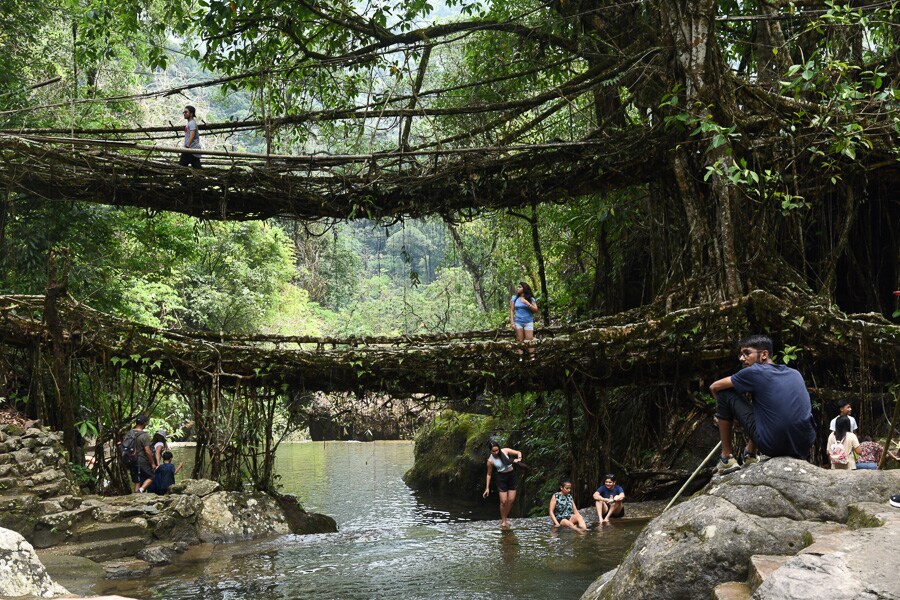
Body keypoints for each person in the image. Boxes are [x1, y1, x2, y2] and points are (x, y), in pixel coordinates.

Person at [709, 334, 816, 473]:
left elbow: (714, 387)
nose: (742, 359)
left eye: (747, 353)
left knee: (725, 393)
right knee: (766, 404)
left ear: (764, 354)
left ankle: (726, 458)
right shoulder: (795, 373)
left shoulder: (754, 372)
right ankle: (750, 454)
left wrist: (728, 413)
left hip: (773, 445)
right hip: (804, 445)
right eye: (740, 355)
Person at [482, 440, 524, 527]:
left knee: (511, 500)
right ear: (490, 451)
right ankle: (503, 521)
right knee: (503, 501)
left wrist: (519, 459)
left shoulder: (505, 451)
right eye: (494, 451)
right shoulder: (490, 460)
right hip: (501, 478)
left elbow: (518, 452)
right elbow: (489, 474)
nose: (496, 452)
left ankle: (505, 517)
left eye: (497, 450)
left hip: (511, 476)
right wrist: (487, 488)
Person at [509, 282, 538, 357]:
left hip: (528, 322)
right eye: (518, 287)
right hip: (518, 322)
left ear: (524, 288)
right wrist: (512, 323)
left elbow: (536, 310)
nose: (518, 288)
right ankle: (521, 358)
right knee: (520, 340)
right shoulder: (514, 298)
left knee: (529, 341)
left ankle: (532, 358)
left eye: (520, 287)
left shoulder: (531, 299)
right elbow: (512, 310)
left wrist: (527, 303)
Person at [127, 415, 154, 493]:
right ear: (144, 423)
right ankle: (140, 490)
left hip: (131, 460)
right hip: (141, 460)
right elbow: (147, 451)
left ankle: (136, 496)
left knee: (137, 480)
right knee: (151, 476)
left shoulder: (129, 433)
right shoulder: (144, 435)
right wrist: (152, 463)